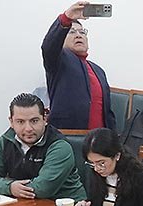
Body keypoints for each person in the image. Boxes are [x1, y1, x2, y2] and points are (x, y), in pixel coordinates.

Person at [0, 93, 86, 201]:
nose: (28, 128)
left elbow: (42, 189)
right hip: (25, 205)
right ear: (11, 122)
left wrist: (11, 187)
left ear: (45, 119)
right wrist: (9, 187)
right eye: (20, 122)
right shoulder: (6, 141)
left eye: (34, 121)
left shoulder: (59, 146)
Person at [42, 1, 115, 130]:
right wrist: (66, 18)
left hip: (99, 139)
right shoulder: (59, 60)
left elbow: (107, 113)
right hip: (69, 137)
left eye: (82, 32)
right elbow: (49, 47)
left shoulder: (99, 71)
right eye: (72, 32)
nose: (78, 35)